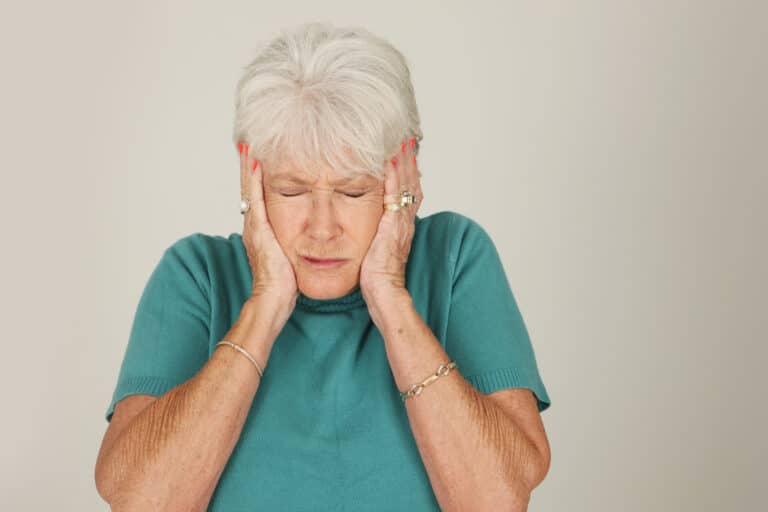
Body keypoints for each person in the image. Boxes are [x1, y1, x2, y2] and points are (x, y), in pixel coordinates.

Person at [95, 21, 552, 512]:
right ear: (252, 179)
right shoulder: (197, 275)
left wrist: (389, 295)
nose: (322, 228)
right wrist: (266, 303)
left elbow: (499, 501)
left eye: (353, 192)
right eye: (291, 191)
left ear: (405, 172)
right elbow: (140, 502)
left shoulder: (456, 255)